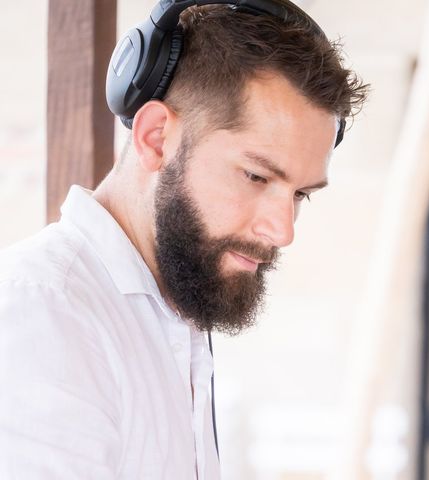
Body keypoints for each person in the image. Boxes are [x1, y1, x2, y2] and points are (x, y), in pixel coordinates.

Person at [0, 2, 368, 479]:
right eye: (256, 176)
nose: (282, 230)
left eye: (299, 194)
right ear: (155, 138)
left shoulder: (175, 314)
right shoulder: (43, 315)